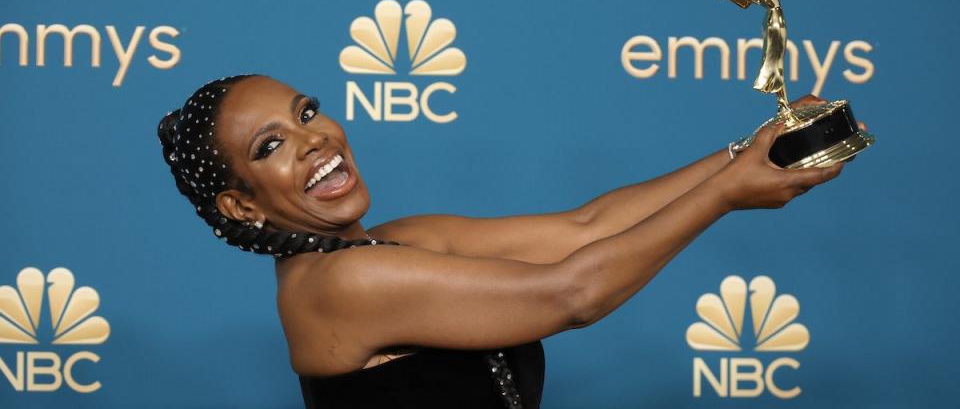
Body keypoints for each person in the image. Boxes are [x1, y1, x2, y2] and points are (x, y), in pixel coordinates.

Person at [157, 74, 848, 409]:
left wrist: (747, 151)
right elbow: (571, 291)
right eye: (272, 144)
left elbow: (584, 228)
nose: (316, 138)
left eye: (306, 110)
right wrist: (728, 195)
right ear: (241, 203)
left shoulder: (396, 243)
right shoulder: (335, 287)